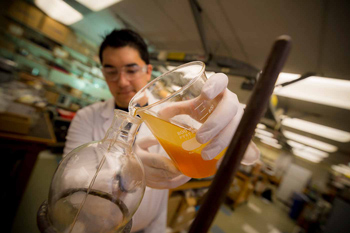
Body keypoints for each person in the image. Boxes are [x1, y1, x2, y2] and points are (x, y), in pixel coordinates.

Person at [63, 29, 259, 232]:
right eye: (111, 71)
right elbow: (71, 180)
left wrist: (237, 131)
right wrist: (127, 171)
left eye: (131, 70)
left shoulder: (173, 113)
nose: (122, 81)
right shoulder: (86, 117)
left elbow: (221, 156)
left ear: (148, 71)